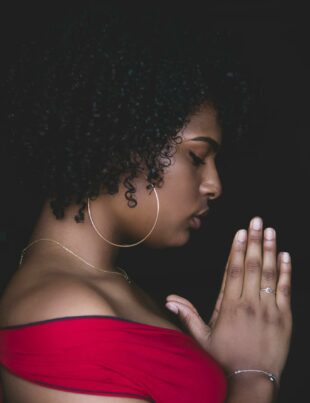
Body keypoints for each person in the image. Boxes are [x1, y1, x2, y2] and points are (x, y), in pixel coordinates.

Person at [0, 5, 292, 403]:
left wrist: (220, 368)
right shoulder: (63, 310)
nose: (214, 185)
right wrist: (254, 378)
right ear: (122, 144)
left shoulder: (107, 288)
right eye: (196, 156)